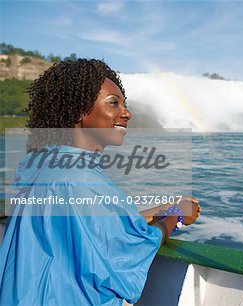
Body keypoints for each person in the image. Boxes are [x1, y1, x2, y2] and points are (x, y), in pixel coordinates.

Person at [0, 59, 201, 305]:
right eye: (113, 103)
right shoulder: (80, 178)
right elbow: (127, 253)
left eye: (124, 104)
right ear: (79, 111)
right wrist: (175, 218)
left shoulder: (46, 168)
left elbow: (93, 222)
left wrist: (162, 208)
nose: (127, 113)